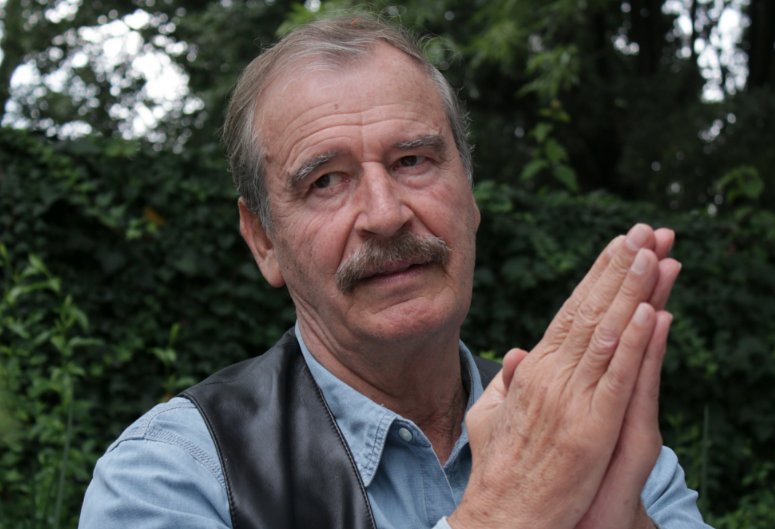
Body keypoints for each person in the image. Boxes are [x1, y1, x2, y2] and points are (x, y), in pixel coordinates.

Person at [79, 15, 711, 529]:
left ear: (470, 194)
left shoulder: (593, 439)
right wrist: (508, 513)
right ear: (263, 240)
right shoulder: (170, 477)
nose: (385, 215)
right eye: (326, 181)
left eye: (413, 161)